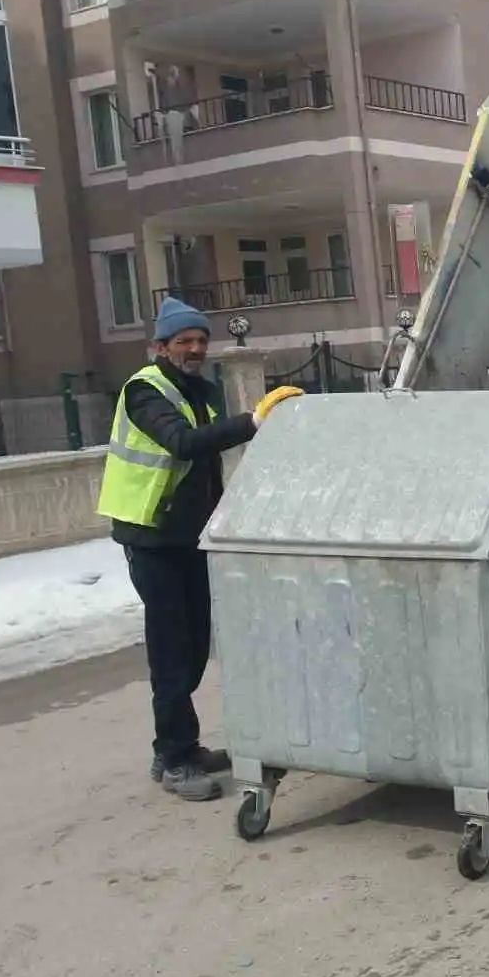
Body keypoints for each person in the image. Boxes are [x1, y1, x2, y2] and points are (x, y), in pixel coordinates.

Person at [96, 297, 303, 801]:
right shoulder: (145, 391)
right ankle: (172, 757)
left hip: (192, 536)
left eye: (199, 341)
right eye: (183, 341)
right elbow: (184, 444)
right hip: (152, 537)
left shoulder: (201, 390)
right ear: (159, 347)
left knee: (193, 645)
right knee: (171, 649)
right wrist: (253, 422)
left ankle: (180, 745)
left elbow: (207, 462)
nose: (193, 348)